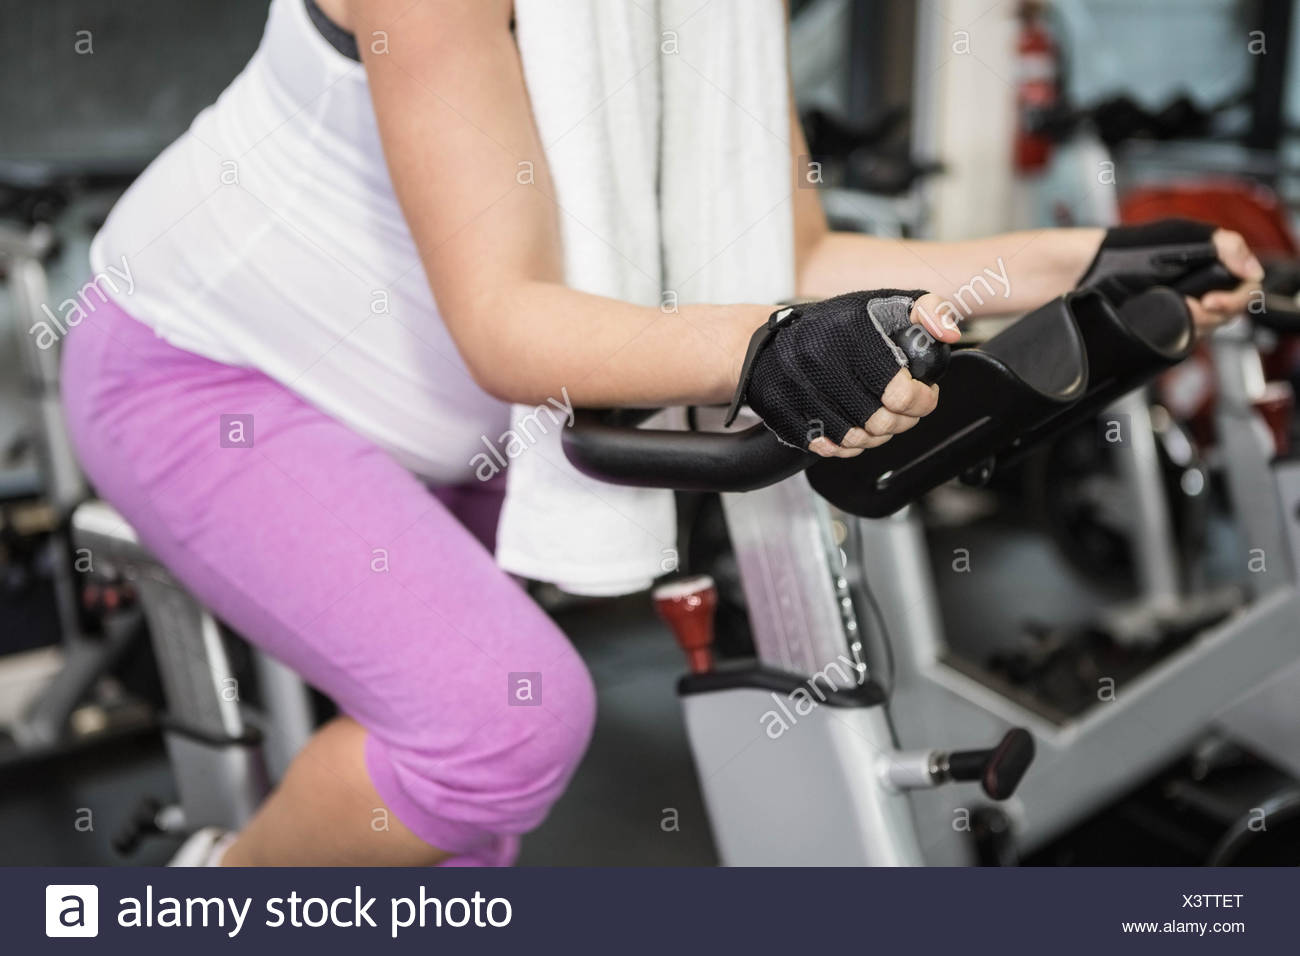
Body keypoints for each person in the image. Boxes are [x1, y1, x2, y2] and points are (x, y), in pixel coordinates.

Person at [59, 0, 1263, 866]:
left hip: (442, 409)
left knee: (471, 825)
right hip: (214, 369)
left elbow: (799, 256)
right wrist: (768, 350)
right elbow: (507, 321)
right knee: (500, 727)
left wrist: (1083, 260)